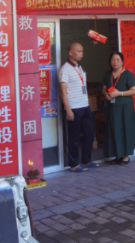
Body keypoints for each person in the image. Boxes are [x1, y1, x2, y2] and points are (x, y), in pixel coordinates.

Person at [58, 42, 95, 172]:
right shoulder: (65, 69)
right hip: (74, 107)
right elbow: (62, 91)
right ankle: (73, 164)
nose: (81, 53)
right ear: (70, 53)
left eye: (82, 51)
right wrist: (68, 109)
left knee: (89, 134)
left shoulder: (79, 67)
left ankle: (86, 160)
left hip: (85, 106)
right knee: (74, 138)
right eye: (79, 51)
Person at [101, 51, 135, 165]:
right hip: (112, 107)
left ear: (122, 62)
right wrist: (106, 95)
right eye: (113, 60)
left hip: (125, 107)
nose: (115, 62)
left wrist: (119, 93)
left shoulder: (128, 74)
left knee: (126, 130)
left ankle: (126, 156)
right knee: (114, 130)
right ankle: (117, 155)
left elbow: (134, 90)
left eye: (118, 60)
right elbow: (103, 89)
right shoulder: (108, 74)